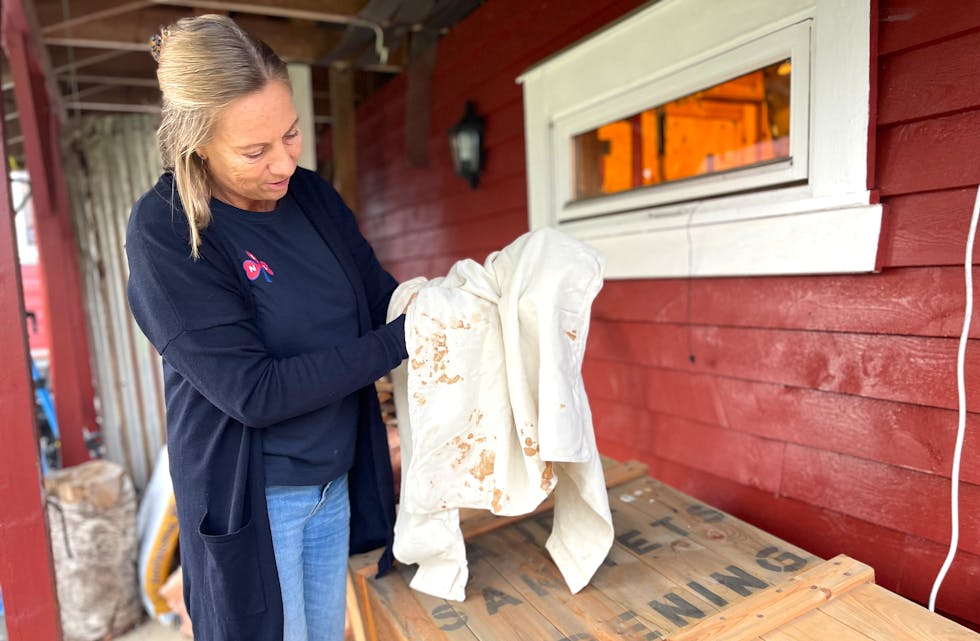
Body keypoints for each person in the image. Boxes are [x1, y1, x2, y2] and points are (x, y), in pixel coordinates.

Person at [125, 15, 408, 641]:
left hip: (331, 485)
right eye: (255, 151)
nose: (283, 163)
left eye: (291, 134)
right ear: (195, 142)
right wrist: (401, 341)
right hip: (256, 501)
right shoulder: (168, 231)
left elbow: (379, 297)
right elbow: (254, 392)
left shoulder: (311, 198)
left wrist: (453, 304)